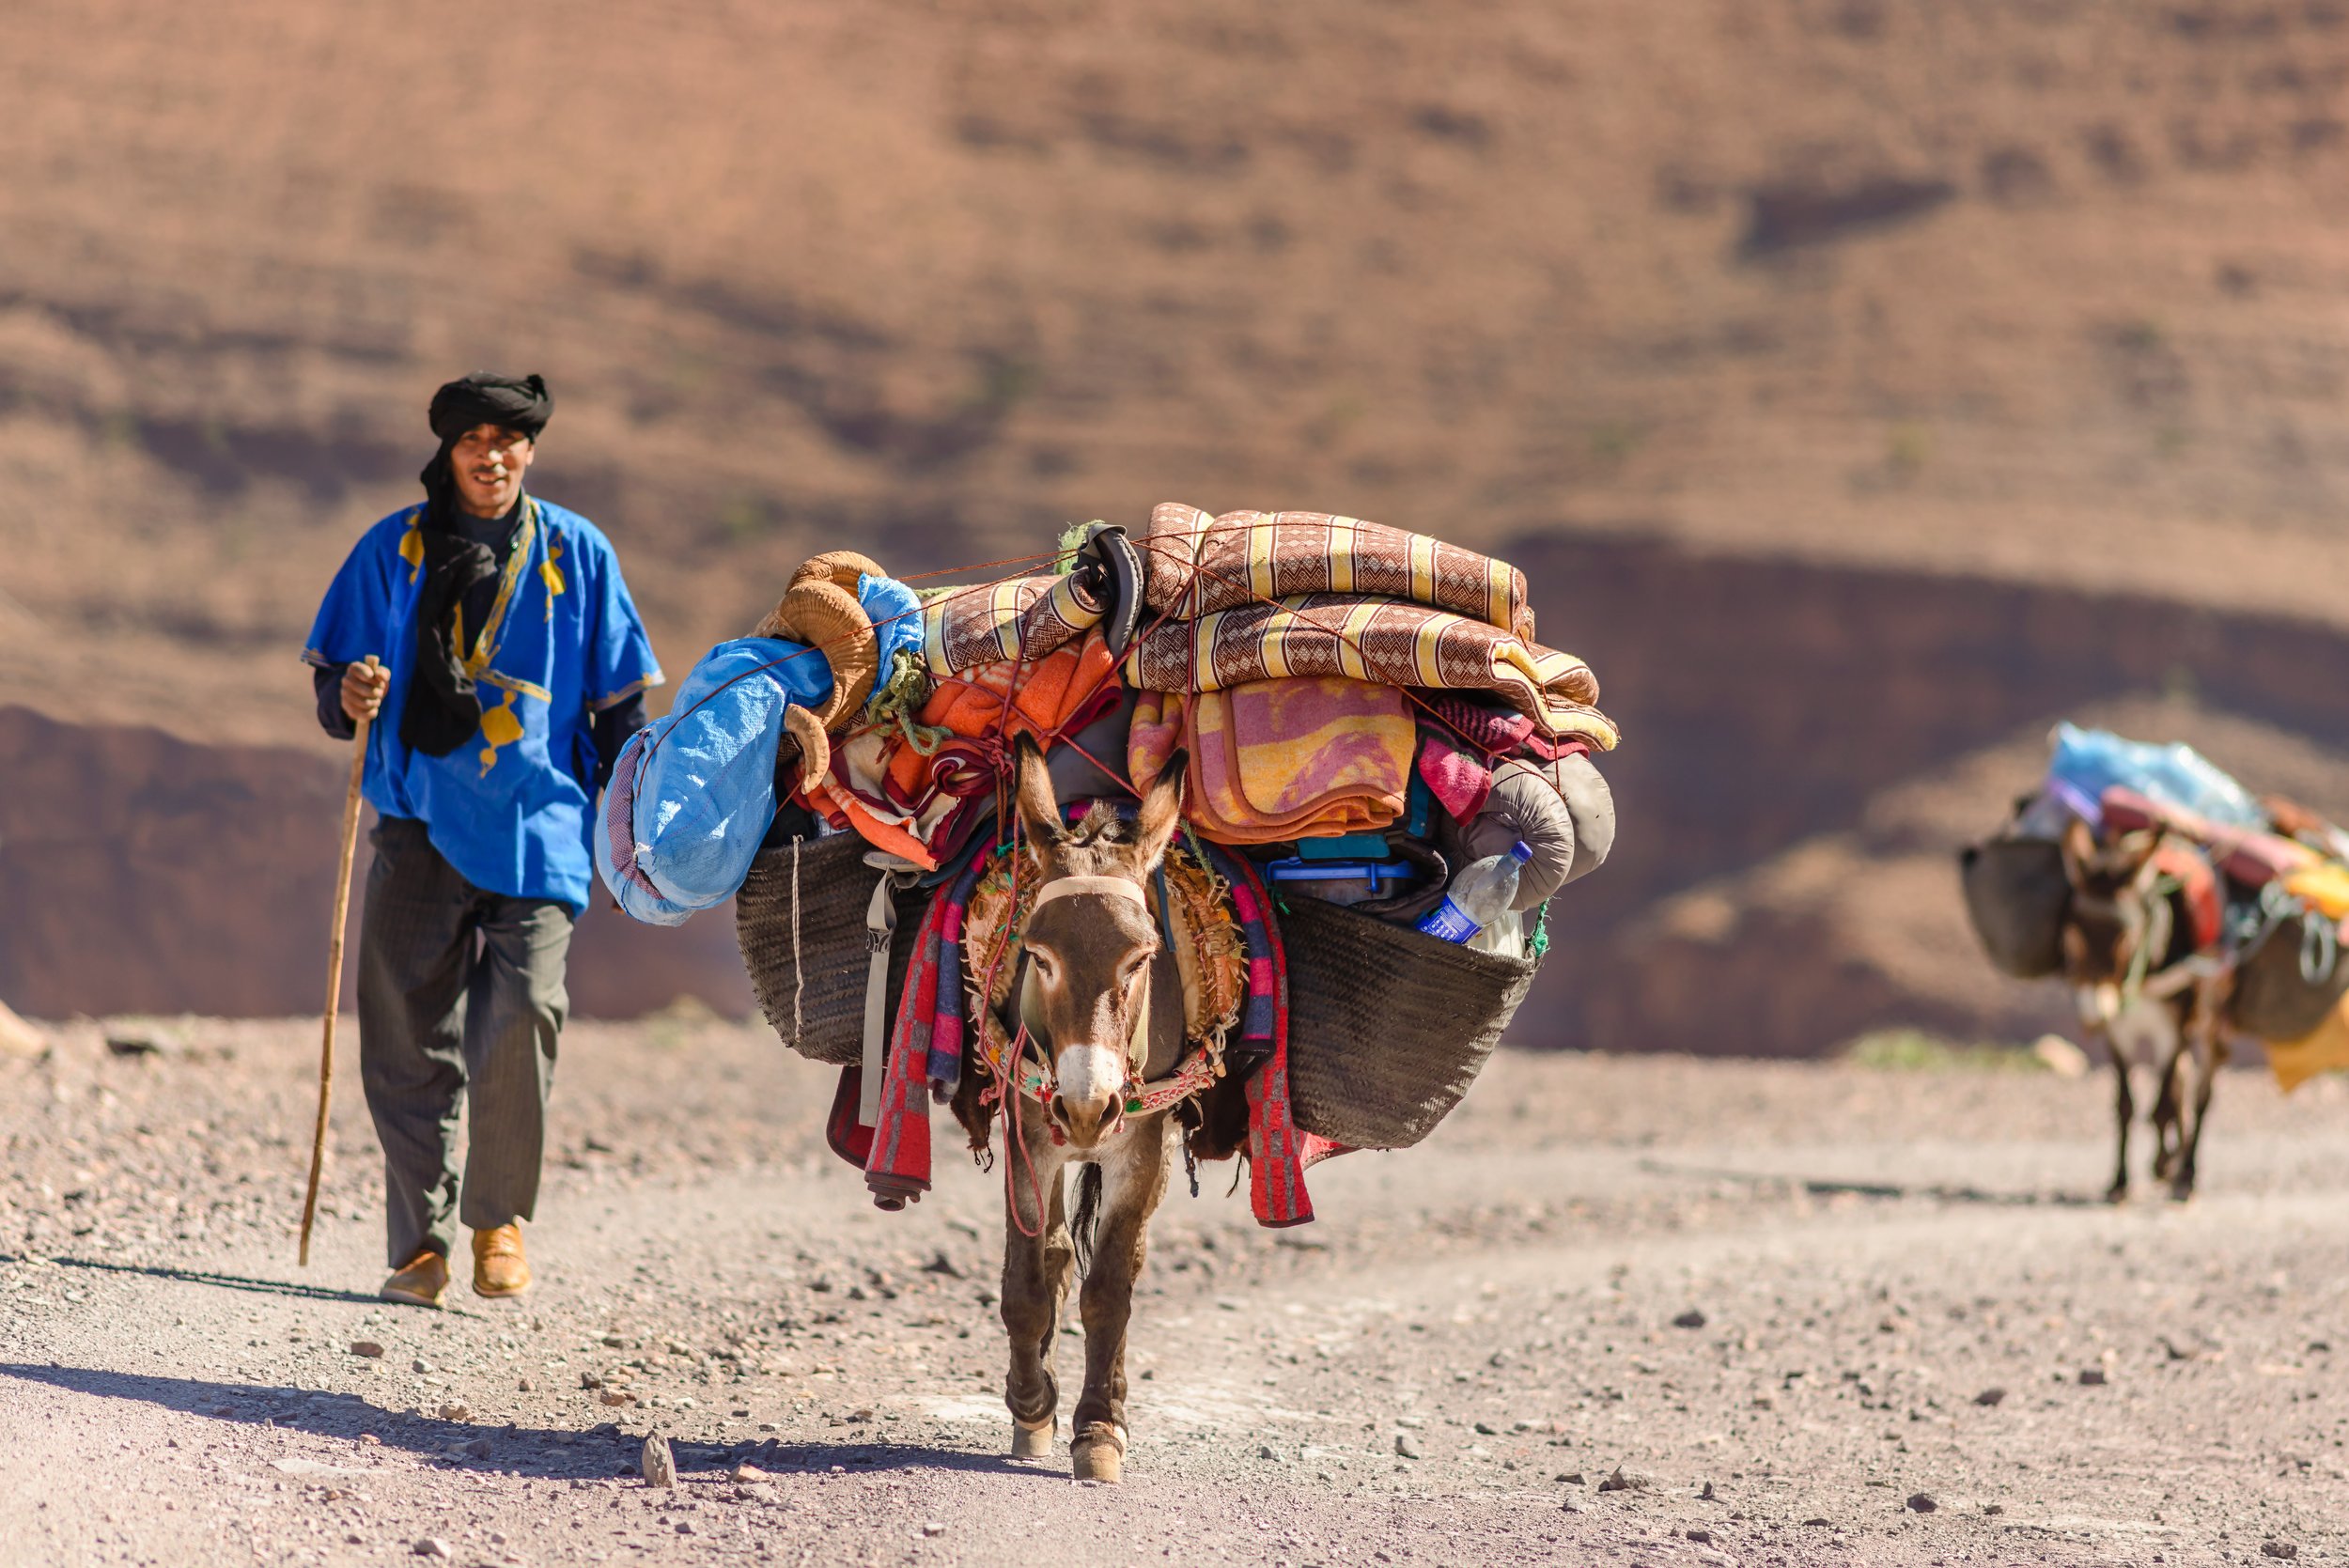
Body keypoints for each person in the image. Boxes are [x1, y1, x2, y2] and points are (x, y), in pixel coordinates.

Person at [303, 373, 662, 1307]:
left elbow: (622, 705)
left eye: (508, 440)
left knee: (523, 1020)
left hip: (540, 827)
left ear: (529, 451)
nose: (491, 456)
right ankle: (419, 1246)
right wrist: (350, 696)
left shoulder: (579, 553)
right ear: (450, 449)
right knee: (405, 1034)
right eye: (474, 439)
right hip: (418, 819)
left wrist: (624, 822)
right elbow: (333, 682)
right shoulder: (395, 549)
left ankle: (497, 1220)